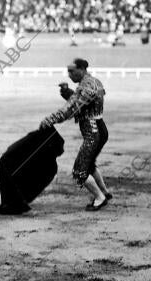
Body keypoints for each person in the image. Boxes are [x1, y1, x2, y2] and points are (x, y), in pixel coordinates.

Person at [39, 58, 112, 211]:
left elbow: (72, 108)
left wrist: (50, 120)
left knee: (79, 171)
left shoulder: (86, 86)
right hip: (99, 129)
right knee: (89, 165)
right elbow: (83, 103)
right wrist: (67, 92)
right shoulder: (93, 82)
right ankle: (104, 192)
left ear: (82, 69)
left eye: (72, 71)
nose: (69, 74)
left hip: (93, 132)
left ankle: (100, 198)